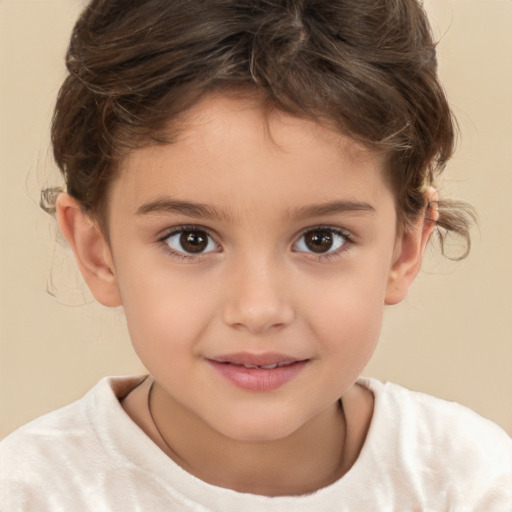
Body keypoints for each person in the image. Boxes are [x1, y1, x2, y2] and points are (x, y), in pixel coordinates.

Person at [1, 0, 511, 509]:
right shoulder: (31, 493)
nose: (258, 309)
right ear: (98, 252)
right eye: (191, 239)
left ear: (403, 249)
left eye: (321, 240)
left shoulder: (470, 485)